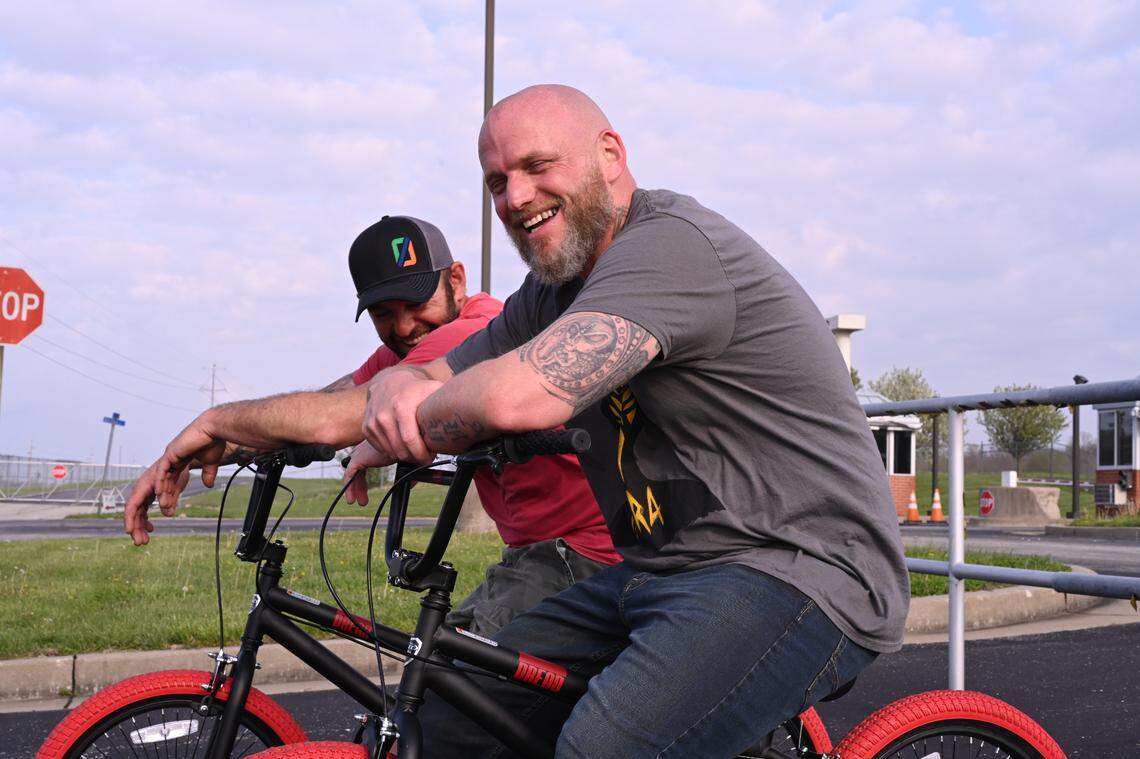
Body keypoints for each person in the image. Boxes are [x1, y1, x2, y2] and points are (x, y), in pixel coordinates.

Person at [130, 84, 908, 756]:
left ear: (610, 153)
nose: (515, 196)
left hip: (801, 568)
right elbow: (403, 385)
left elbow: (516, 396)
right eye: (497, 180)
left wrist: (402, 406)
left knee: (606, 746)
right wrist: (222, 423)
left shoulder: (670, 248)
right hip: (662, 572)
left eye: (539, 166)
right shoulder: (551, 293)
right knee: (454, 709)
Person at [123, 214, 620, 638]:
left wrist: (212, 420)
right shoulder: (403, 354)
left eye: (417, 304)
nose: (404, 327)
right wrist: (213, 448)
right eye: (384, 313)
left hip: (594, 552)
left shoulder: (475, 332)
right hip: (539, 551)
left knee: (451, 691)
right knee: (447, 673)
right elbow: (330, 400)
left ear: (457, 281)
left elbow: (330, 421)